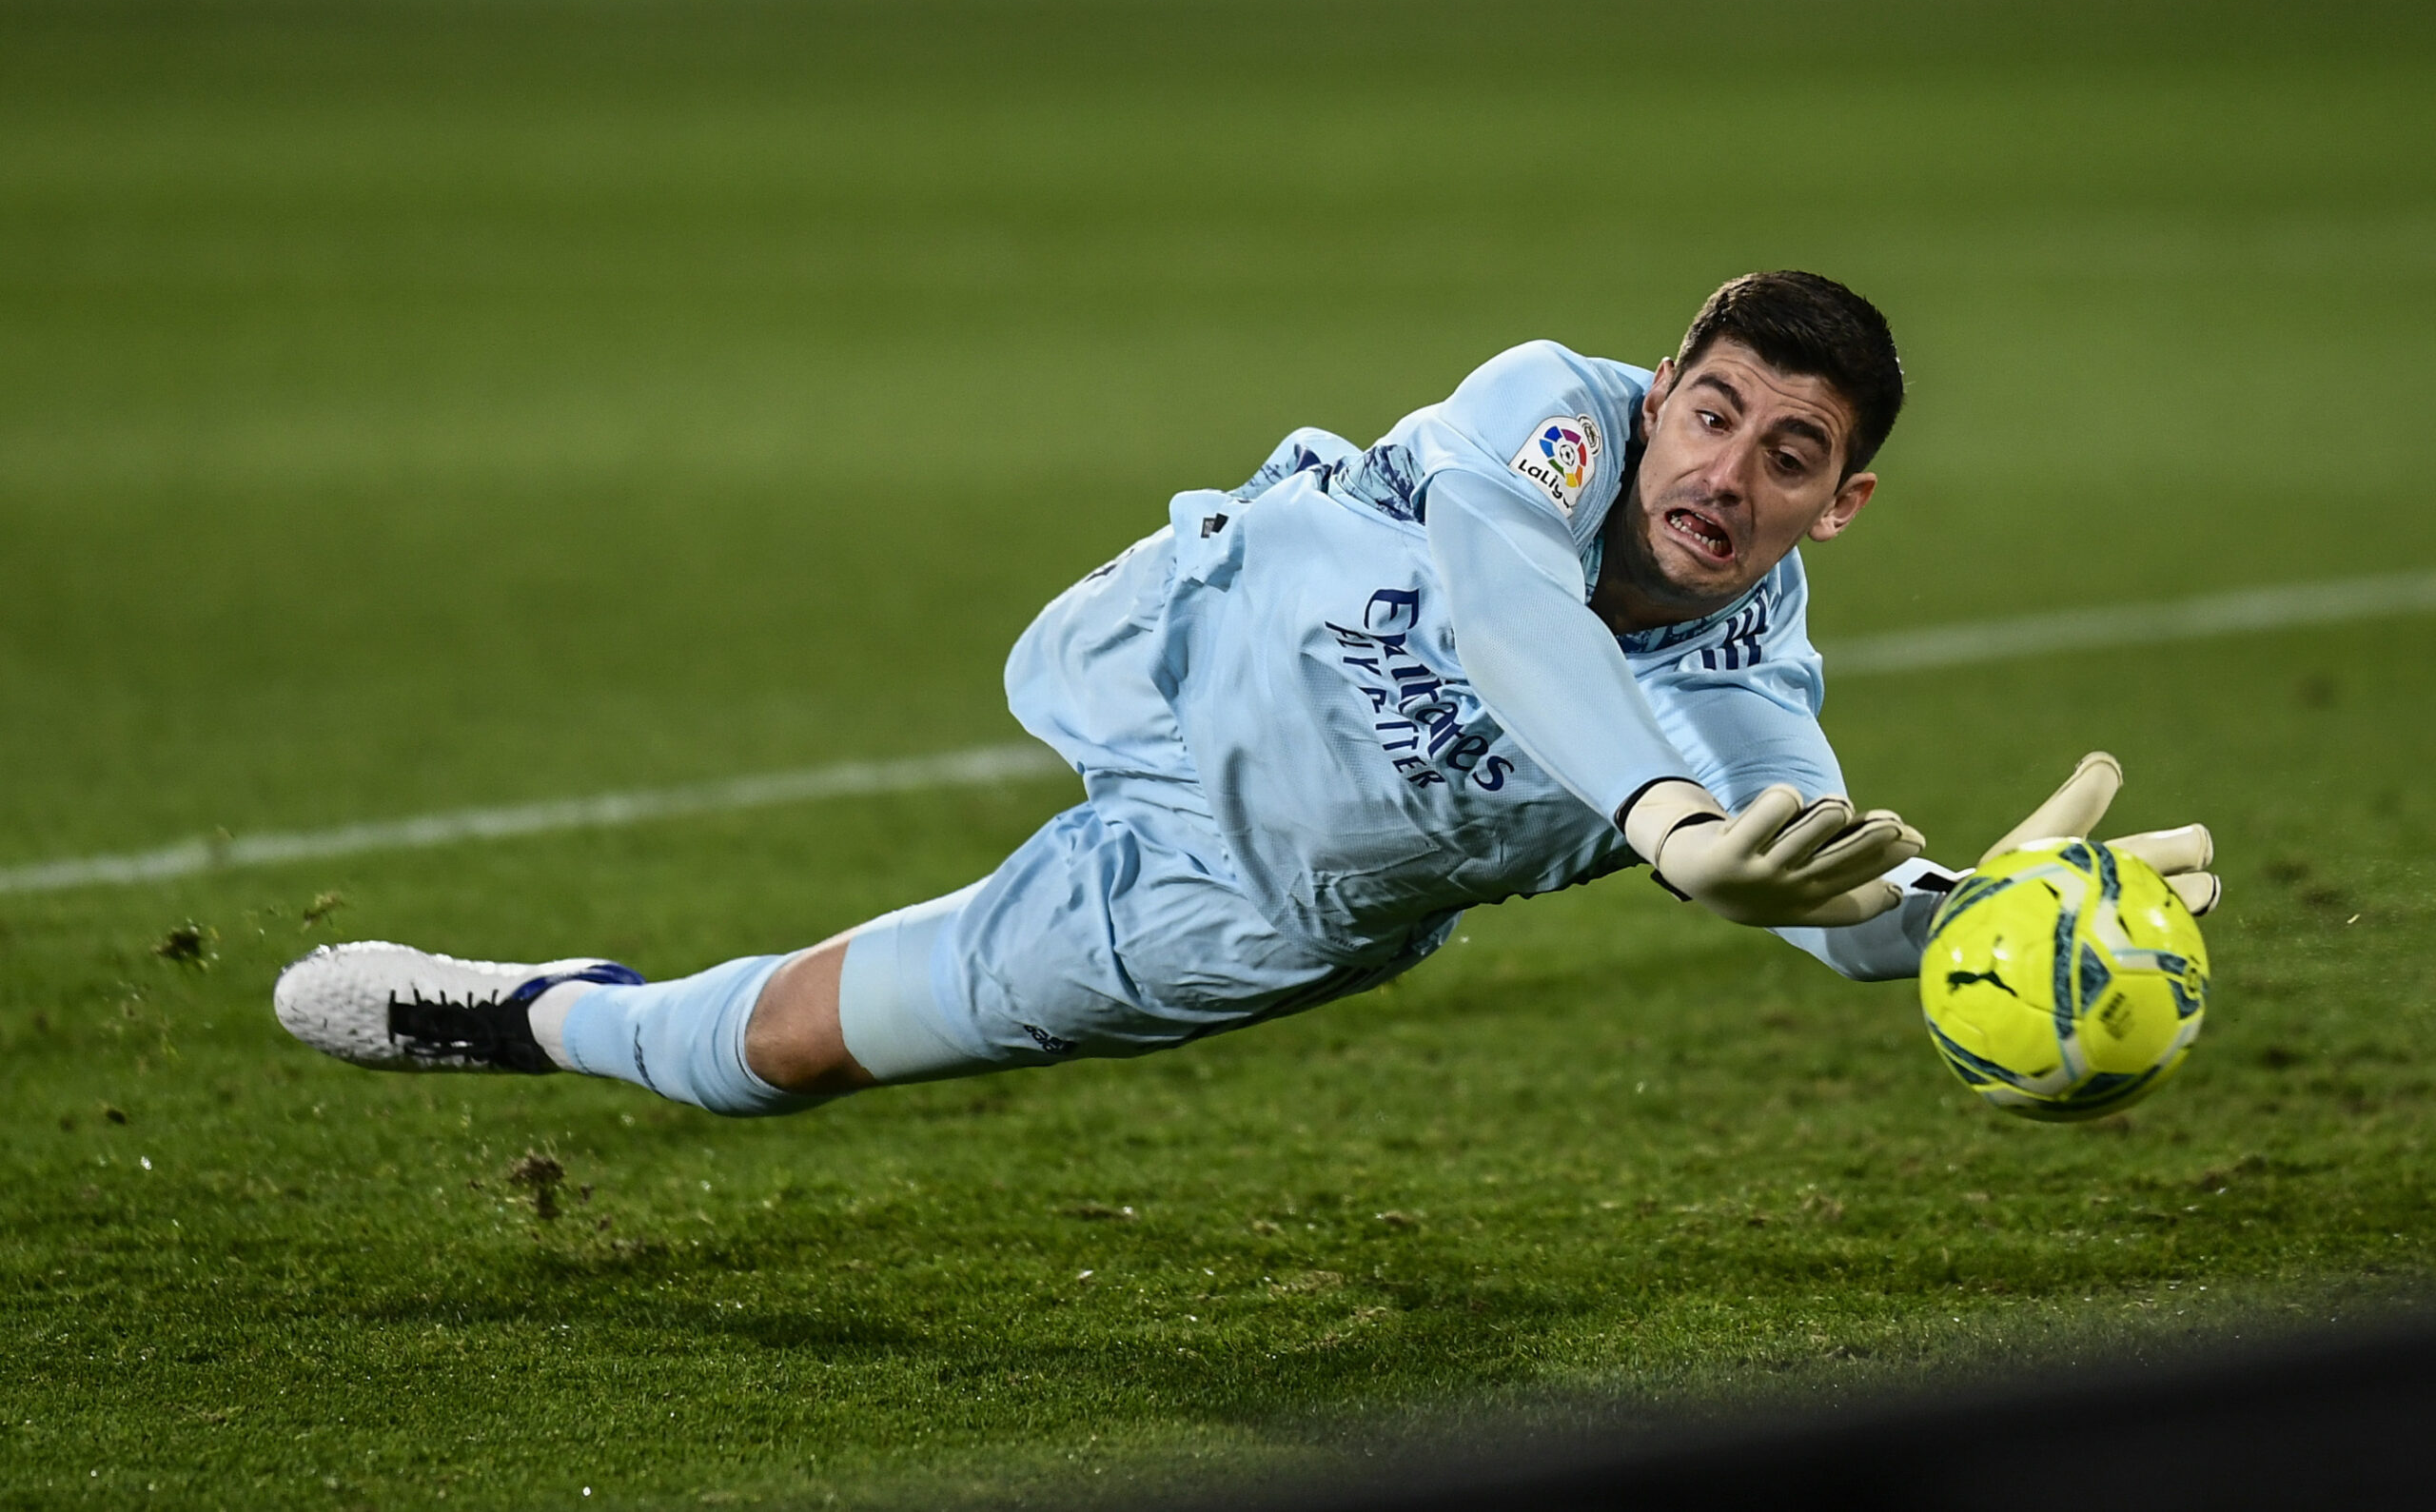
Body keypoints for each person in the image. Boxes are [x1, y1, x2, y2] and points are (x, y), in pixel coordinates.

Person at [273, 271, 2222, 1115]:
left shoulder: (1747, 701)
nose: (1721, 472)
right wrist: (1668, 829)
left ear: (1840, 502)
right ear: (1658, 389)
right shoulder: (1548, 409)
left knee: (770, 1053)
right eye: (1709, 412)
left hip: (1234, 900)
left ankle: (529, 1016)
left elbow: (1844, 914)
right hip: (1167, 643)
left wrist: (1994, 922)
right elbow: (1492, 600)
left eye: (1784, 456)